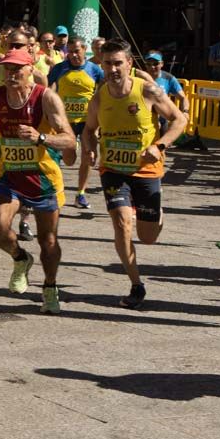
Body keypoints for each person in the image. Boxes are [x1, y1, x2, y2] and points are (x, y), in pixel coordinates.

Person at [81, 39, 187, 309]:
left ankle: (157, 214)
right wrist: (91, 149)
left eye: (118, 63)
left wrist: (159, 145)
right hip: (113, 170)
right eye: (108, 63)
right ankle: (136, 285)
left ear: (129, 63)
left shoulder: (148, 91)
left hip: (147, 169)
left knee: (147, 236)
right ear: (101, 65)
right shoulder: (99, 98)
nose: (113, 68)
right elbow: (89, 130)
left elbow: (179, 120)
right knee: (121, 223)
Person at [0, 46, 77, 314]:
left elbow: (69, 139)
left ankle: (50, 287)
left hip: (43, 178)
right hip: (9, 175)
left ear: (30, 70)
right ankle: (20, 258)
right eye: (7, 69)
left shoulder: (46, 98)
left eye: (17, 69)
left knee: (48, 241)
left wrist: (41, 138)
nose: (11, 75)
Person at [47, 37, 105, 210]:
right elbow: (48, 90)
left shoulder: (94, 69)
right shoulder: (59, 68)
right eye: (70, 51)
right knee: (69, 159)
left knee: (89, 157)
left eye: (76, 51)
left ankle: (81, 193)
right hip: (66, 122)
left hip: (88, 122)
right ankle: (58, 187)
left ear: (84, 50)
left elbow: (104, 90)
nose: (73, 55)